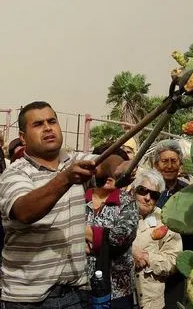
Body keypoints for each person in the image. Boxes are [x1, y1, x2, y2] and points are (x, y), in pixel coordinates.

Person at [0, 101, 131, 308]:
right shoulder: (15, 173)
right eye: (38, 124)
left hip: (75, 294)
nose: (48, 128)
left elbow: (106, 161)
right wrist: (65, 178)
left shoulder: (74, 160)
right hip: (27, 298)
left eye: (52, 121)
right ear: (23, 137)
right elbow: (25, 211)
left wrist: (119, 166)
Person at [84, 143, 139, 308]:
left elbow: (118, 237)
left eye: (115, 169)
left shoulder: (127, 202)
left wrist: (79, 231)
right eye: (104, 167)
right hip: (79, 289)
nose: (109, 174)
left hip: (117, 293)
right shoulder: (76, 198)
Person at [152, 139, 193, 308]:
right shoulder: (148, 191)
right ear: (156, 164)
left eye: (174, 161)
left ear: (180, 164)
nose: (169, 166)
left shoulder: (189, 192)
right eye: (164, 161)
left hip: (181, 265)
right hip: (152, 262)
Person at [131, 169, 182, 309]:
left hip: (150, 302)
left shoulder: (166, 221)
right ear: (133, 190)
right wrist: (131, 254)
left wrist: (147, 258)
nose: (147, 197)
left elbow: (175, 260)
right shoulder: (119, 214)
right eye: (142, 191)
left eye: (154, 195)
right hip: (119, 298)